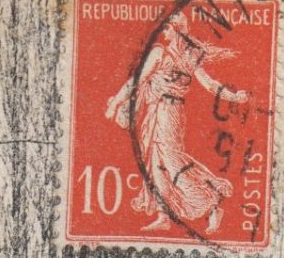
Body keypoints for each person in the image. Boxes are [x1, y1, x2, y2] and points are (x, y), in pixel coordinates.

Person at [103, 13, 250, 234]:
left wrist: (233, 96)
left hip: (169, 113)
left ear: (177, 30)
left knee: (171, 162)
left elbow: (209, 84)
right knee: (155, 163)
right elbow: (138, 80)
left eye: (168, 29)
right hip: (158, 111)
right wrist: (116, 103)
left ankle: (211, 203)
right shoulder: (164, 54)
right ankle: (164, 215)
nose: (164, 32)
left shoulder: (185, 56)